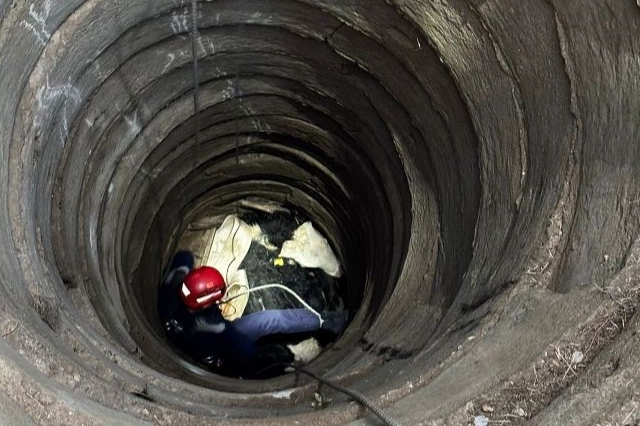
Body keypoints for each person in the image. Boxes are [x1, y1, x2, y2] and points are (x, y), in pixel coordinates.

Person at [157, 250, 348, 377]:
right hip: (221, 358)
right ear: (205, 304)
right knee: (271, 320)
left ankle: (321, 321)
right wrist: (224, 330)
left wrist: (183, 271)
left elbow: (183, 257)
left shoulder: (170, 291)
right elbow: (246, 352)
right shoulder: (210, 328)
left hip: (188, 337)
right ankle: (324, 321)